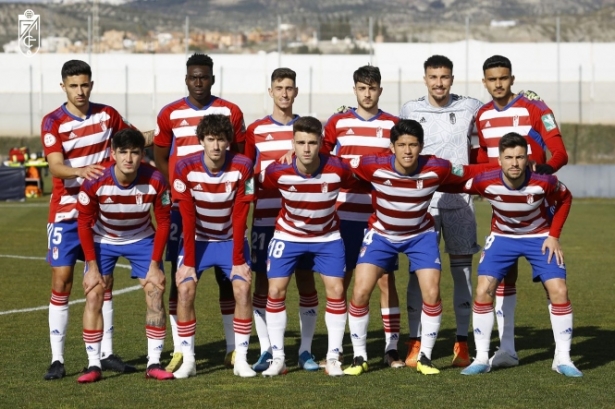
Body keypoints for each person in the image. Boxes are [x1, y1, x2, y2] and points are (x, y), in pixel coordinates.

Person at [343, 119, 494, 376]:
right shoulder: (372, 165)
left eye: (413, 145)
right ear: (392, 147)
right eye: (401, 145)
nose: (407, 151)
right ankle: (359, 356)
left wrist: (504, 166)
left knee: (432, 292)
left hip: (420, 235)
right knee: (359, 292)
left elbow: (470, 173)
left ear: (421, 146)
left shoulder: (437, 167)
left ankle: (425, 356)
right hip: (381, 235)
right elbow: (335, 165)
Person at [41, 59, 137, 380]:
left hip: (99, 214)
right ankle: (57, 359)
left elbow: (133, 139)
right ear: (63, 87)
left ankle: (105, 354)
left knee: (102, 283)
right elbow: (55, 166)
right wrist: (79, 170)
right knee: (62, 282)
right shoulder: (53, 121)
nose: (80, 91)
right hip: (66, 213)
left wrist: (177, 137)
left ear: (91, 84)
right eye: (73, 86)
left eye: (84, 85)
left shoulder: (108, 115)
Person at [456, 132, 581, 377]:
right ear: (500, 160)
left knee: (559, 290)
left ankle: (563, 359)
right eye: (509, 157)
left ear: (527, 159)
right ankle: (482, 358)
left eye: (520, 157)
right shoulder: (484, 180)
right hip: (502, 238)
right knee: (483, 289)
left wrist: (554, 235)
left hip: (539, 237)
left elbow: (565, 198)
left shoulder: (544, 181)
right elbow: (451, 181)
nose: (514, 163)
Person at [153, 53, 246, 372]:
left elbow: (243, 154)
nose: (198, 82)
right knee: (182, 279)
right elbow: (160, 152)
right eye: (193, 77)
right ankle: (181, 350)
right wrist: (177, 186)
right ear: (186, 79)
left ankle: (233, 348)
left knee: (227, 281)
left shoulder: (231, 111)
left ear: (212, 79)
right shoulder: (169, 113)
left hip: (223, 206)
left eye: (204, 77)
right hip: (185, 209)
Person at [475, 55, 569, 369]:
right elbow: (480, 163)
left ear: (512, 79)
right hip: (502, 213)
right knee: (502, 277)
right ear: (484, 81)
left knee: (553, 283)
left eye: (503, 78)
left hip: (537, 210)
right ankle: (507, 350)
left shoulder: (534, 107)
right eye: (492, 79)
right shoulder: (482, 116)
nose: (498, 84)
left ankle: (561, 355)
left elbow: (560, 153)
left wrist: (540, 175)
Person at [399, 55, 483, 368]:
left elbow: (497, 118)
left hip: (460, 202)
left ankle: (462, 342)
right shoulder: (410, 110)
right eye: (433, 77)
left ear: (452, 78)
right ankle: (415, 340)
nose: (439, 83)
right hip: (423, 204)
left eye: (444, 77)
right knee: (417, 274)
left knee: (462, 272)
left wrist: (530, 100)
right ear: (425, 79)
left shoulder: (471, 107)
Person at [259, 116, 355, 377]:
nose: (307, 148)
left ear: (322, 143)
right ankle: (277, 358)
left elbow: (357, 179)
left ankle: (333, 357)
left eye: (312, 142)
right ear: (293, 143)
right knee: (276, 290)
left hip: (327, 237)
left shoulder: (338, 168)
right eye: (301, 142)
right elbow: (258, 184)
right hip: (288, 235)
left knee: (336, 290)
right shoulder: (277, 170)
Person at [76, 129, 173, 383]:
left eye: (135, 152)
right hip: (102, 239)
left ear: (143, 154)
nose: (129, 158)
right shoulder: (95, 180)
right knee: (94, 292)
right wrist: (91, 266)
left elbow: (163, 222)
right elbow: (84, 223)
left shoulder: (156, 180)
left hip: (141, 238)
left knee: (155, 291)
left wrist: (155, 264)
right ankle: (93, 364)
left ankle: (153, 362)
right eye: (123, 152)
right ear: (113, 154)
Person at [322, 65, 403, 368]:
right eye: (362, 88)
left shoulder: (394, 125)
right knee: (340, 282)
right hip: (342, 215)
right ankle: (338, 348)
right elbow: (322, 159)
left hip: (380, 217)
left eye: (373, 88)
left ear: (380, 90)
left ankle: (391, 347)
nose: (367, 94)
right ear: (354, 89)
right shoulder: (338, 122)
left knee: (384, 281)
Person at [244, 68, 320, 372]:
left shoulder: (306, 129)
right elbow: (248, 175)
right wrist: (278, 168)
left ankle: (305, 350)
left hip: (302, 221)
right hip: (266, 218)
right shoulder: (256, 130)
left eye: (289, 88)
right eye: (279, 88)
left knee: (305, 280)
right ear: (271, 91)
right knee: (263, 282)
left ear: (296, 91)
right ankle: (266, 349)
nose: (284, 93)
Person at [171, 114, 255, 379]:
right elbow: (187, 216)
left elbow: (241, 213)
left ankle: (240, 359)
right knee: (184, 290)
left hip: (231, 240)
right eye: (210, 139)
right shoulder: (184, 167)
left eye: (221, 139)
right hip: (197, 240)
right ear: (201, 141)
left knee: (242, 288)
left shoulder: (243, 165)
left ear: (228, 141)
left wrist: (239, 258)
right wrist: (189, 263)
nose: (216, 145)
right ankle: (189, 360)